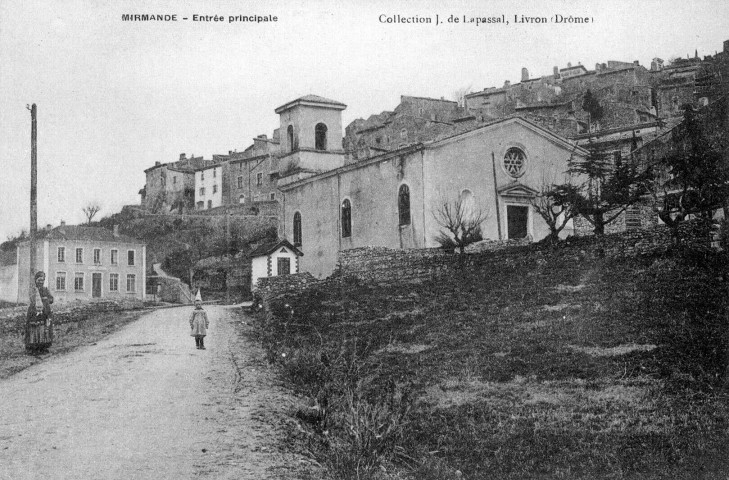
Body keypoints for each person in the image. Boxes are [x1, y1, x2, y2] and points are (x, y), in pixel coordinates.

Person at [26, 271, 54, 351]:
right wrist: (41, 300)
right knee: (34, 328)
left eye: (42, 280)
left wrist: (47, 299)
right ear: (36, 280)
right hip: (34, 311)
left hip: (45, 312)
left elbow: (51, 299)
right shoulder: (33, 290)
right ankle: (33, 347)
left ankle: (43, 346)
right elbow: (32, 299)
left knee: (45, 328)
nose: (41, 282)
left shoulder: (45, 289)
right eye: (39, 280)